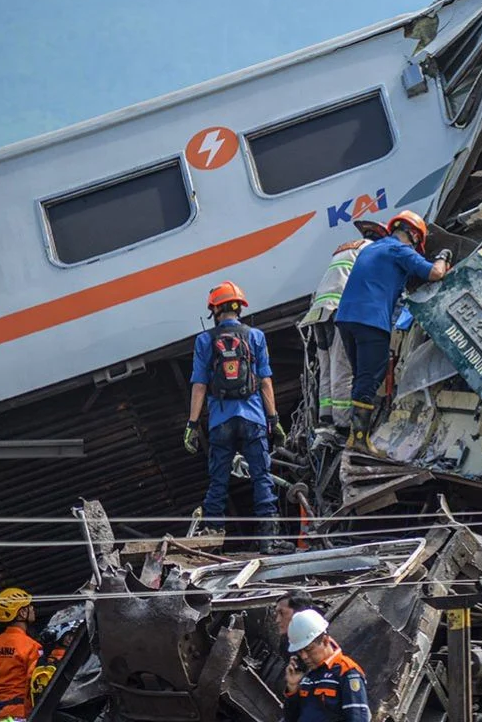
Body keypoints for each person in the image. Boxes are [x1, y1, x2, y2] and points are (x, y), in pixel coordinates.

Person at [183, 280, 293, 555]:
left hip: (220, 421)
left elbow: (199, 385)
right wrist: (274, 419)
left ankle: (210, 541)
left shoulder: (204, 340)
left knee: (218, 479)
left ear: (214, 310)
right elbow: (265, 381)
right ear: (239, 307)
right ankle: (269, 539)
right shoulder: (255, 336)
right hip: (254, 417)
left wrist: (192, 425)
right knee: (261, 476)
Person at [335, 211, 451, 455]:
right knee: (370, 378)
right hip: (371, 321)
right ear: (412, 235)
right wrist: (442, 256)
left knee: (360, 375)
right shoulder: (400, 250)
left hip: (346, 318)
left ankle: (355, 438)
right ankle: (359, 440)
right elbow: (435, 273)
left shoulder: (372, 249)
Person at [298, 223, 384, 436]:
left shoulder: (348, 247)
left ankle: (325, 419)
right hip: (338, 309)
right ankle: (343, 426)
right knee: (342, 367)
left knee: (326, 365)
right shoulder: (371, 250)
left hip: (319, 311)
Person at [283, 610, 369, 722]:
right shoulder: (308, 677)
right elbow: (291, 718)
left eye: (309, 649)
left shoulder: (346, 672)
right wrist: (293, 688)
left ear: (325, 641)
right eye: (300, 652)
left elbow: (357, 718)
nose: (304, 656)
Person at [0, 588, 42, 722]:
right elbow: (34, 684)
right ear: (22, 612)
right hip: (17, 713)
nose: (33, 609)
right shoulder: (32, 647)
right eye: (29, 606)